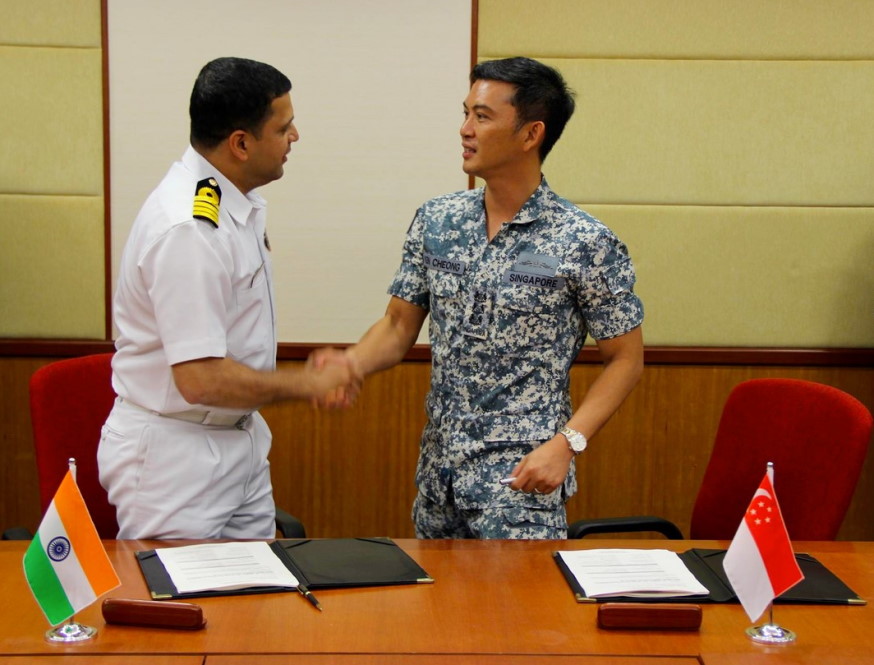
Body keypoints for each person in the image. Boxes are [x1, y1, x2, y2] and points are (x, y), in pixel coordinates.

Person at [317, 57, 644, 539]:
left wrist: (568, 443)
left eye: (482, 117)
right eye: (466, 113)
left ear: (531, 134)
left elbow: (625, 360)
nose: (465, 129)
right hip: (438, 478)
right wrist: (351, 365)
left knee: (517, 617)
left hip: (519, 488)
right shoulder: (438, 220)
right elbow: (396, 326)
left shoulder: (584, 241)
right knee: (436, 613)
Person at [98, 57, 359, 540]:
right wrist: (306, 384)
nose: (295, 136)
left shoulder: (228, 202)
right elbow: (199, 379)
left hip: (236, 441)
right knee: (191, 609)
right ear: (241, 143)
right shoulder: (188, 229)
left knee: (257, 605)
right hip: (176, 461)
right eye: (284, 127)